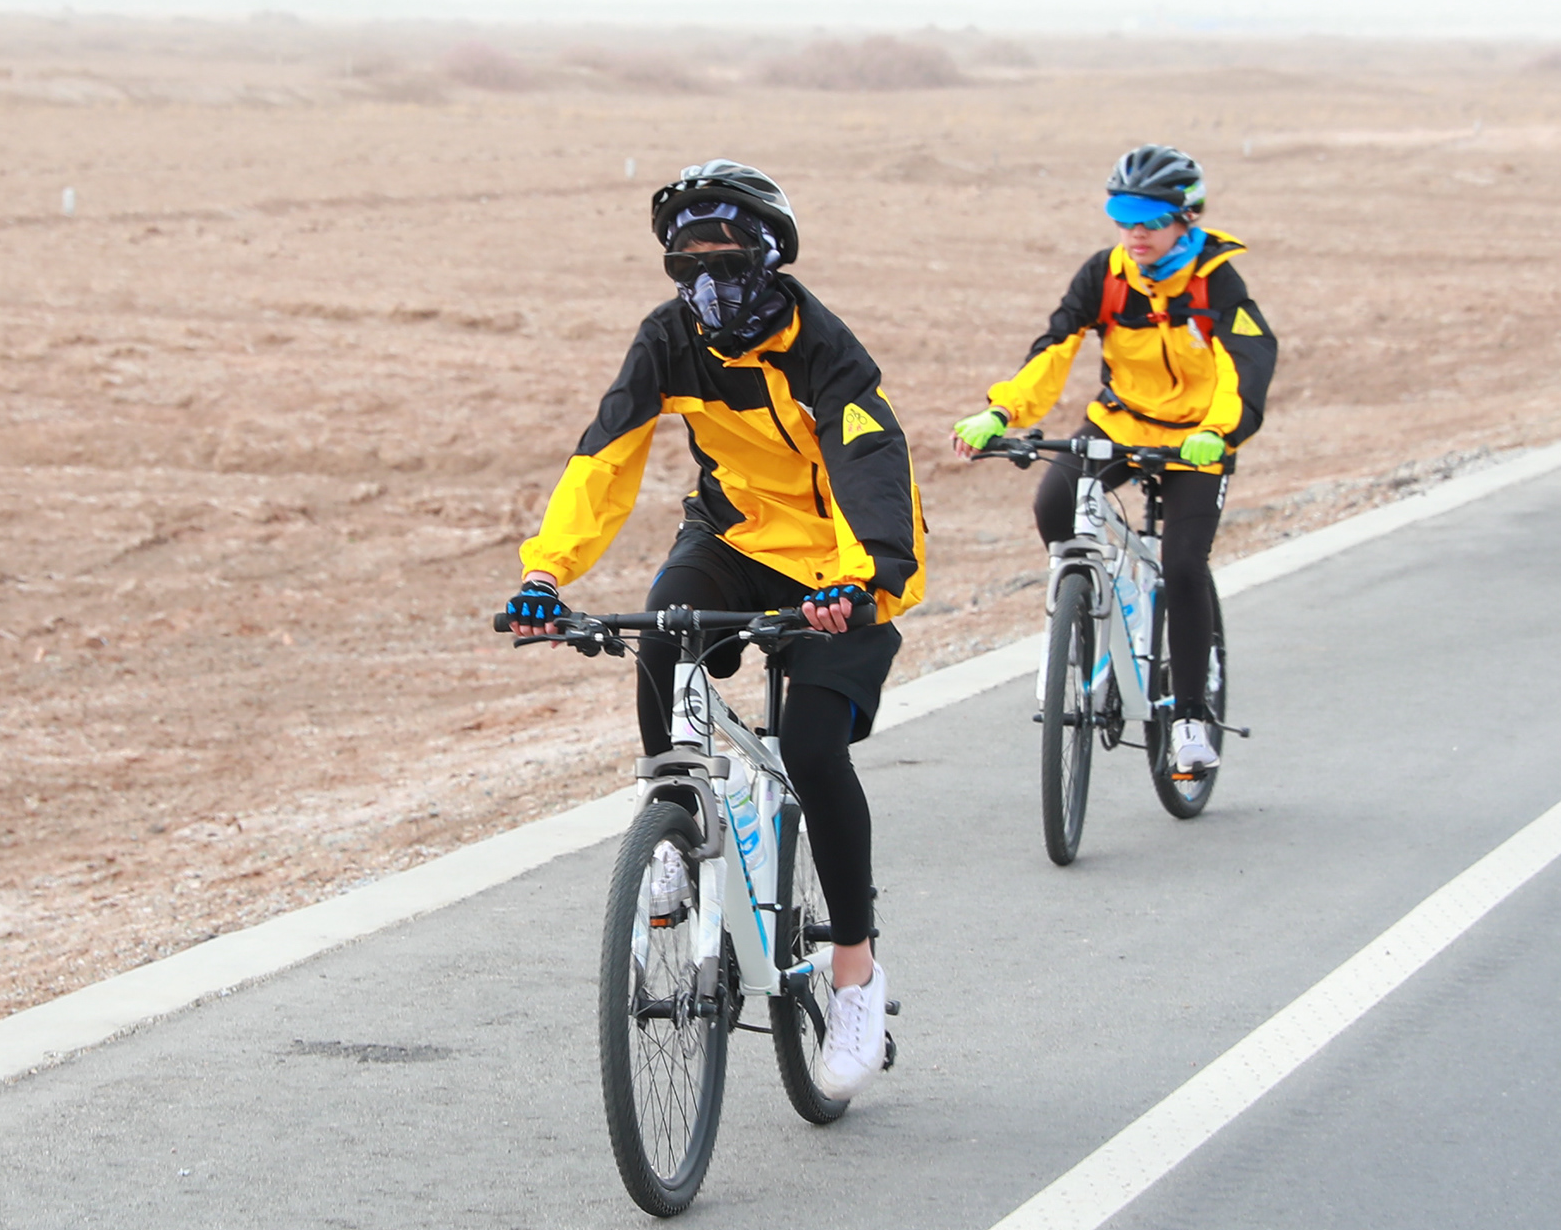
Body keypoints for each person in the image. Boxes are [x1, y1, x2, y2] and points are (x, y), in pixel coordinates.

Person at [505, 162, 926, 1094]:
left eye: (726, 259)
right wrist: (546, 572)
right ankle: (677, 821)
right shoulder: (668, 339)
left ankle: (854, 973)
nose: (706, 281)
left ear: (770, 259)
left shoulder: (825, 351)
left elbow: (871, 464)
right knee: (662, 631)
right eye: (686, 262)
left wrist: (865, 579)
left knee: (812, 749)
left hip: (844, 562)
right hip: (734, 536)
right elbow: (605, 455)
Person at [948, 144, 1278, 769]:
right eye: (1123, 218)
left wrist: (1220, 432)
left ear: (1186, 218)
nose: (1135, 234)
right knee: (1054, 506)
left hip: (1196, 440)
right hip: (1120, 423)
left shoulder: (1215, 281)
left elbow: (1248, 364)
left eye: (1150, 221)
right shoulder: (1106, 274)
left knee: (1183, 564)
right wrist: (1001, 412)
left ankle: (1189, 718)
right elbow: (1055, 347)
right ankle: (1084, 618)